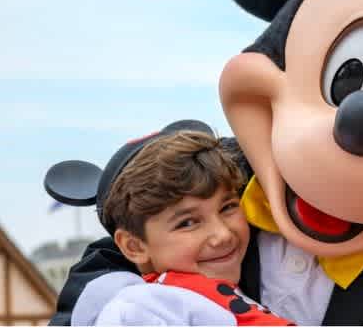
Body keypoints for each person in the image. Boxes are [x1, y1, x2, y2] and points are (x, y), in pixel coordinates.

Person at [76, 130, 292, 326]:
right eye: (188, 223)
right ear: (135, 246)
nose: (223, 235)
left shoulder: (196, 298)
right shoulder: (145, 311)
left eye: (227, 207)